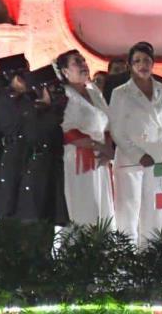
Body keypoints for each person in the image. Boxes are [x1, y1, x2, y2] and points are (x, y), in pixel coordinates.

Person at [109, 42, 162, 246]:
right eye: (137, 61)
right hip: (131, 162)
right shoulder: (120, 93)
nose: (143, 65)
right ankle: (126, 269)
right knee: (128, 216)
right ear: (130, 65)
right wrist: (138, 155)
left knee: (157, 217)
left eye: (147, 60)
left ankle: (153, 266)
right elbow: (116, 130)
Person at [58, 50, 116, 228]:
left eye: (84, 60)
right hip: (77, 160)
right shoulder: (63, 95)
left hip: (100, 161)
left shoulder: (94, 92)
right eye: (77, 62)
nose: (84, 64)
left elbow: (106, 124)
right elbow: (65, 130)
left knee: (101, 206)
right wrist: (96, 145)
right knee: (81, 207)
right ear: (65, 71)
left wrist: (107, 148)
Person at [13, 65, 68, 224]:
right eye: (51, 87)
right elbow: (40, 131)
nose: (56, 91)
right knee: (35, 219)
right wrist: (56, 109)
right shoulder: (30, 110)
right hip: (36, 169)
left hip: (52, 169)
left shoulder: (51, 111)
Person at [0, 54, 32, 219]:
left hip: (28, 151)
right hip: (11, 151)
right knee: (9, 198)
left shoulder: (27, 98)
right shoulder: (5, 98)